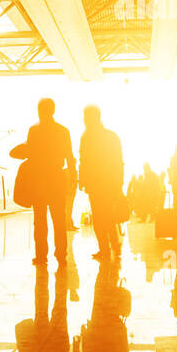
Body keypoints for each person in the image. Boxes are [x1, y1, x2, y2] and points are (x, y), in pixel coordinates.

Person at [10, 98, 75, 270]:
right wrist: (73, 180)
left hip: (39, 180)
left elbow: (30, 154)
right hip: (56, 179)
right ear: (53, 110)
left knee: (40, 221)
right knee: (58, 220)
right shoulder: (63, 131)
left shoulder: (34, 130)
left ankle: (41, 255)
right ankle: (61, 255)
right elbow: (70, 157)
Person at [78, 104, 124, 262]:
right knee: (108, 216)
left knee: (100, 217)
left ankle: (105, 248)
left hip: (98, 184)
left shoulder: (87, 138)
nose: (84, 121)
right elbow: (119, 162)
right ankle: (114, 246)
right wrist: (119, 182)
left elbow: (83, 161)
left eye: (86, 117)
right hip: (108, 183)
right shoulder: (111, 136)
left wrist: (82, 180)